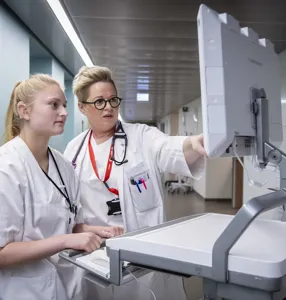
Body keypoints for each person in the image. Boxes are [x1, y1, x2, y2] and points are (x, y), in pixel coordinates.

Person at [64, 65, 207, 300]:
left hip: (141, 247)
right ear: (82, 107)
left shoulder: (142, 136)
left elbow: (168, 149)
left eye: (113, 100)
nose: (108, 107)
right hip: (95, 253)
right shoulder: (74, 150)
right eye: (99, 102)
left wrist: (194, 143)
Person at [0, 74, 123, 300]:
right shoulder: (6, 168)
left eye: (64, 105)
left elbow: (70, 225)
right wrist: (65, 241)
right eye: (54, 105)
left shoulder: (64, 165)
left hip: (66, 286)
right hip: (22, 291)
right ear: (24, 111)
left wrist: (95, 231)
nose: (64, 113)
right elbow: (2, 253)